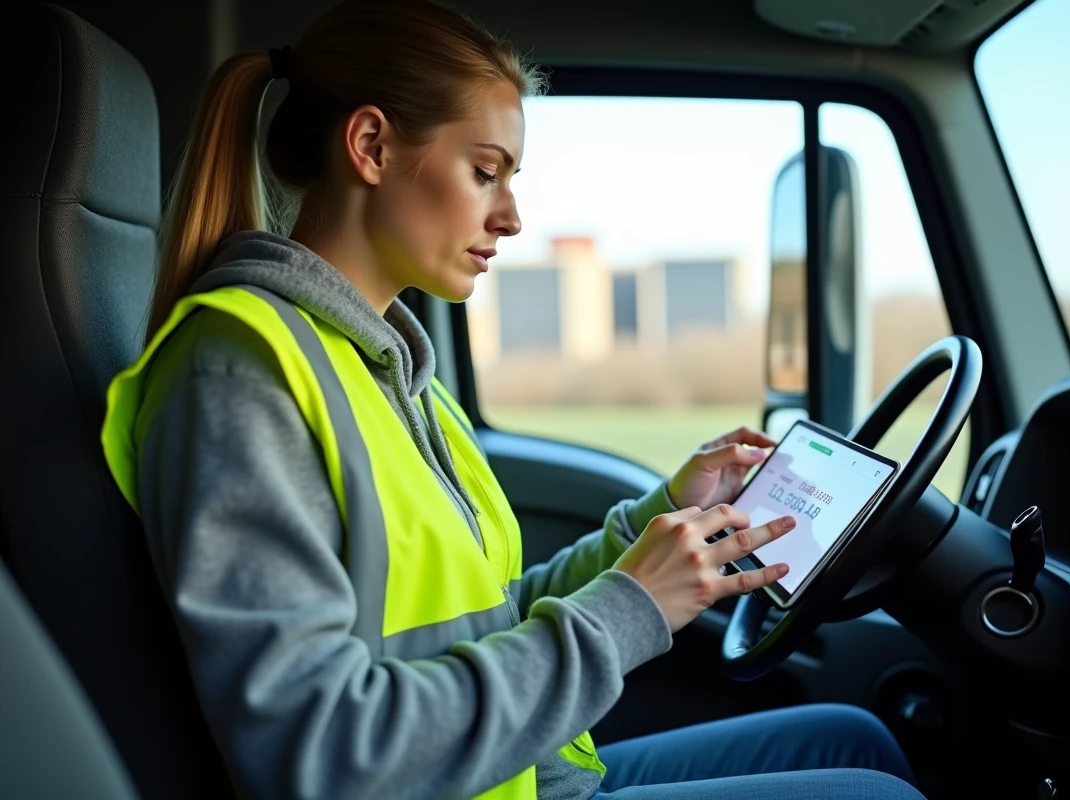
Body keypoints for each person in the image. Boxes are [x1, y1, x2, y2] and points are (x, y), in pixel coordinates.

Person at [100, 1, 926, 798]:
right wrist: (631, 608)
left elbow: (485, 624)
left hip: (520, 775)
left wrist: (660, 518)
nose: (512, 217)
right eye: (484, 172)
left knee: (855, 739)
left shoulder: (392, 373)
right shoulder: (242, 372)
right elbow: (317, 755)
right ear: (371, 145)